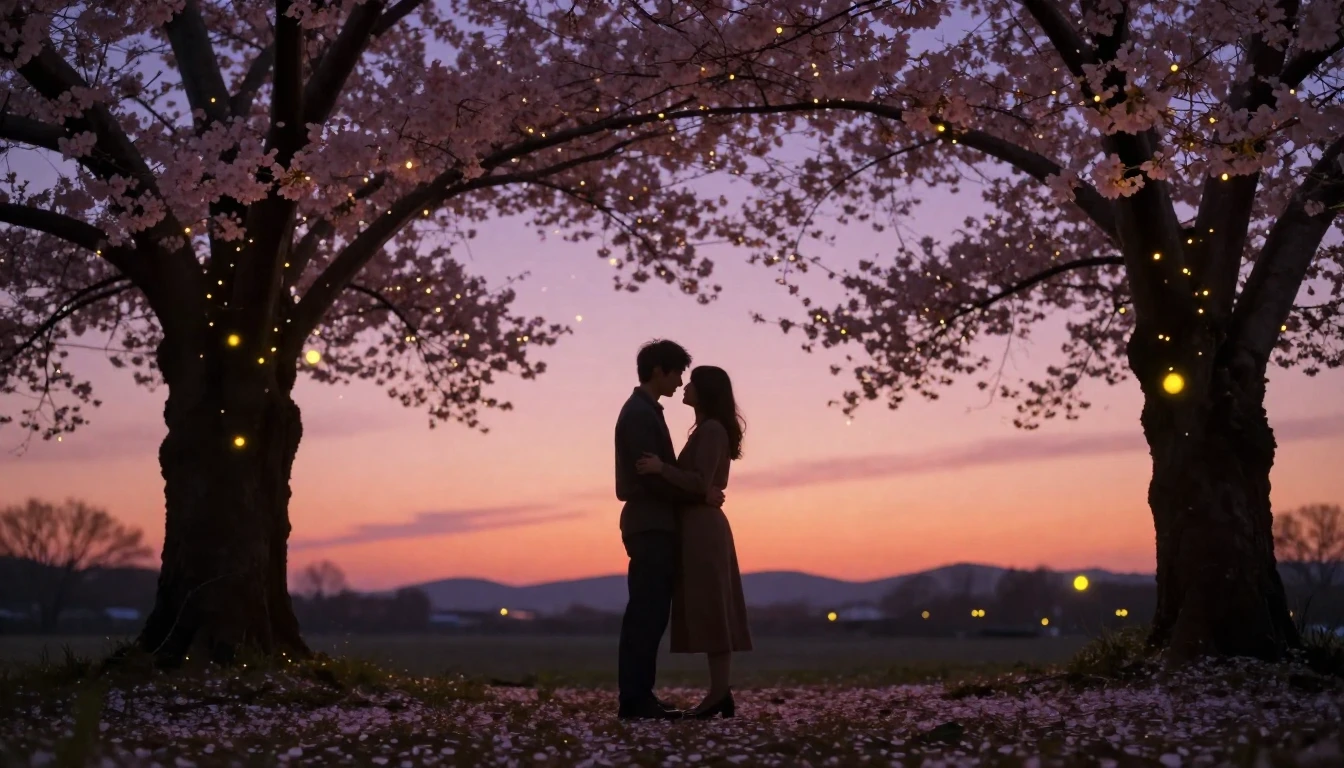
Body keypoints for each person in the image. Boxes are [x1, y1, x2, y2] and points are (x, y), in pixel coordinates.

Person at [614, 340, 724, 720]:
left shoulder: (647, 411)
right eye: (677, 372)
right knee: (646, 613)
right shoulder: (640, 415)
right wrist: (698, 493)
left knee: (651, 612)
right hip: (650, 522)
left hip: (655, 521)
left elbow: (659, 474)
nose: (680, 382)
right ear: (660, 370)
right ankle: (635, 699)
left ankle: (640, 694)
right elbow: (651, 479)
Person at [635, 364, 752, 720]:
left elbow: (702, 480)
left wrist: (661, 470)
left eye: (693, 383)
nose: (685, 387)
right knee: (708, 608)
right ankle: (720, 693)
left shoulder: (713, 430)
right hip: (696, 527)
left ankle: (718, 694)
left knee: (714, 609)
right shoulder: (704, 430)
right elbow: (704, 485)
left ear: (707, 391)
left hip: (704, 531)